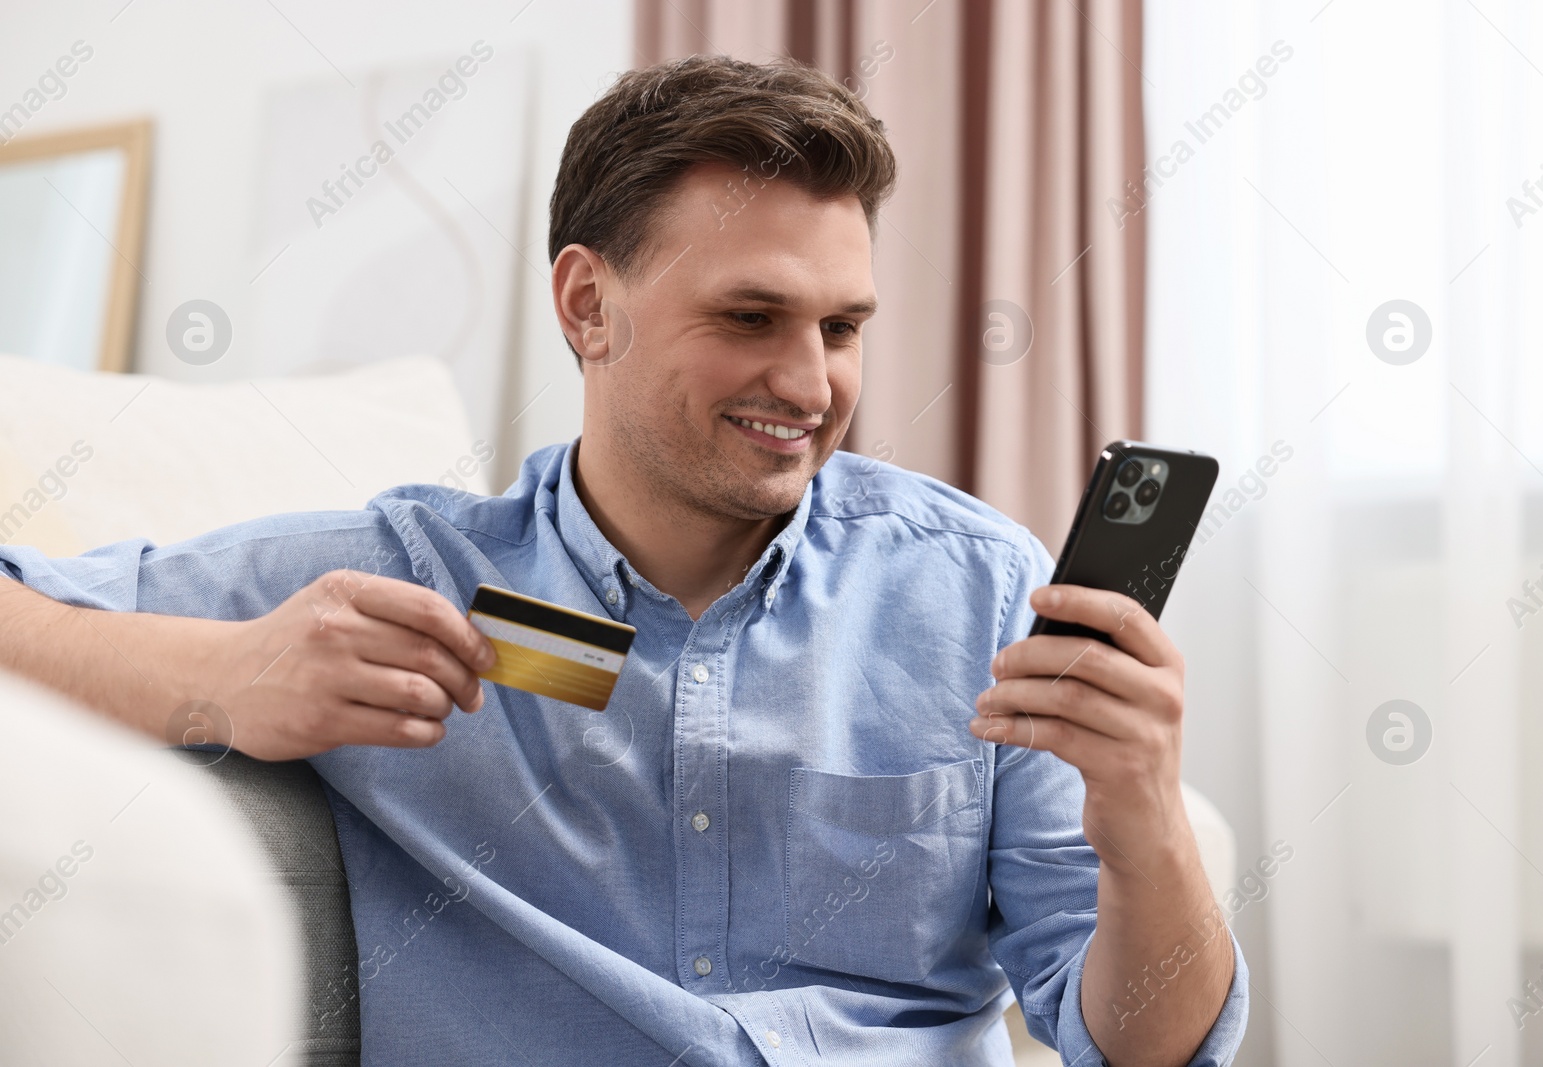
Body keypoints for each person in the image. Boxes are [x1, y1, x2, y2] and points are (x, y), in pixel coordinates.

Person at [0, 54, 1245, 1066]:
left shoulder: (976, 587)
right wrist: (226, 671)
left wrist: (1142, 820)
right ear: (589, 306)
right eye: (749, 318)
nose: (811, 384)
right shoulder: (403, 581)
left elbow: (1139, 1050)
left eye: (843, 326)